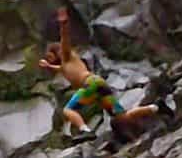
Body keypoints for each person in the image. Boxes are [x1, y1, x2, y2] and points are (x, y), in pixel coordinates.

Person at [39, 8, 173, 140]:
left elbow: (64, 40)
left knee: (68, 110)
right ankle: (156, 107)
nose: (49, 58)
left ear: (57, 52)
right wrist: (48, 65)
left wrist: (63, 25)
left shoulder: (67, 56)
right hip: (99, 86)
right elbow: (59, 68)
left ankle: (85, 130)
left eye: (50, 55)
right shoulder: (65, 66)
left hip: (90, 84)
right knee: (122, 117)